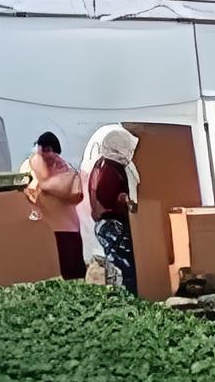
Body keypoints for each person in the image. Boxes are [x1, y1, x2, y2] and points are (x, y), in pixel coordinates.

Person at [81, 125, 140, 295]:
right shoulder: (111, 168)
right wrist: (125, 200)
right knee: (126, 264)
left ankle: (123, 295)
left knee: (118, 263)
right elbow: (107, 194)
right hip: (112, 223)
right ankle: (129, 296)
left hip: (104, 223)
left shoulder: (101, 165)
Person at [21, 131, 87, 278]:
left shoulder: (65, 169)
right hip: (44, 227)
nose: (47, 155)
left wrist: (51, 185)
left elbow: (75, 193)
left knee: (71, 271)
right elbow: (27, 191)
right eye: (43, 150)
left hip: (67, 228)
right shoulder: (30, 166)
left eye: (50, 150)